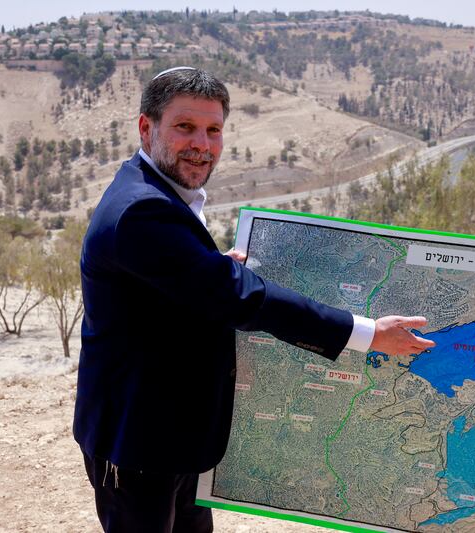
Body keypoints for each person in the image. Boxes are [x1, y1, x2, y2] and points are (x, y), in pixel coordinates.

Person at [73, 66, 436, 533]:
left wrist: (206, 269)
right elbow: (245, 299)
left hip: (177, 434)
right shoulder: (143, 209)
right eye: (184, 127)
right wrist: (366, 334)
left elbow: (173, 285)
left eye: (213, 130)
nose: (201, 143)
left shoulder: (156, 193)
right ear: (147, 127)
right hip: (138, 442)